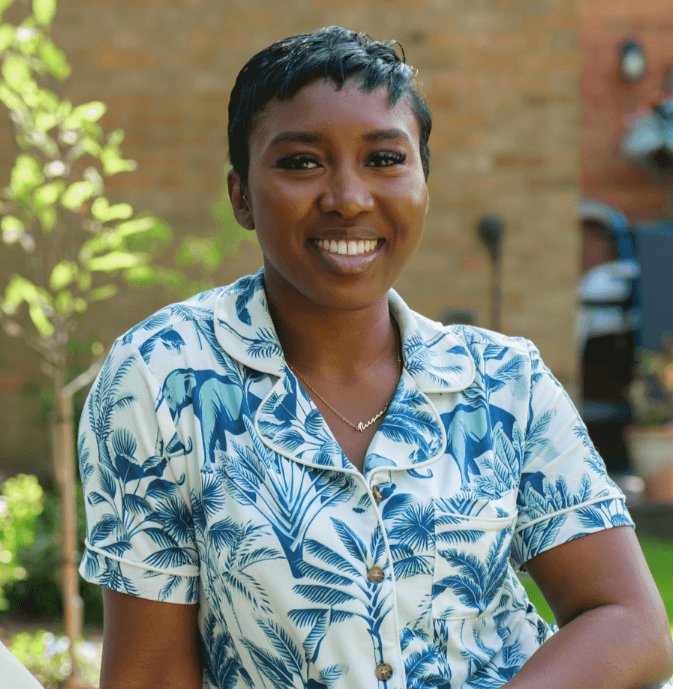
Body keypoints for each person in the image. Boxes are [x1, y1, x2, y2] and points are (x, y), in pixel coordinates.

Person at [78, 27, 673, 689]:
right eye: (302, 162)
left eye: (385, 159)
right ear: (240, 195)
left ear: (423, 183)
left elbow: (630, 621)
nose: (349, 197)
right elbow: (150, 673)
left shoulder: (505, 382)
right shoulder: (163, 377)